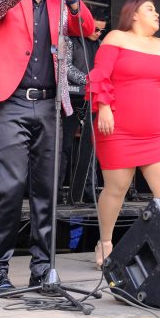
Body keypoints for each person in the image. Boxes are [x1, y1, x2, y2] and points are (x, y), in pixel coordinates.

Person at [0, 0, 94, 294]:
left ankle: (42, 271)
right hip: (11, 102)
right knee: (10, 187)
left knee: (47, 191)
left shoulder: (60, 4)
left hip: (50, 104)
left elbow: (86, 28)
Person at [90, 0, 160, 268]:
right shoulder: (116, 38)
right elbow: (100, 75)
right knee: (116, 189)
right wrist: (103, 107)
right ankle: (105, 242)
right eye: (150, 9)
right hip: (118, 128)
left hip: (157, 132)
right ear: (133, 15)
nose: (157, 13)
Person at [60, 14, 108, 202]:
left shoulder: (101, 45)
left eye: (102, 30)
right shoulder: (70, 40)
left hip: (93, 99)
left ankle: (86, 192)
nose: (98, 33)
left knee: (90, 147)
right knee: (64, 146)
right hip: (70, 98)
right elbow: (66, 67)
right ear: (86, 25)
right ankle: (56, 192)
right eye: (96, 29)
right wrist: (89, 80)